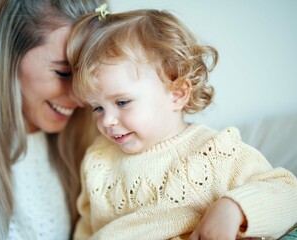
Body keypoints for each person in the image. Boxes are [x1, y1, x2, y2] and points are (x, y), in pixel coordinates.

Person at [67, 6, 297, 240]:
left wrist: (233, 207)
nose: (107, 120)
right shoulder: (98, 160)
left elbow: (289, 193)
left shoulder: (216, 153)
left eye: (122, 102)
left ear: (176, 93)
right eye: (97, 108)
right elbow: (87, 227)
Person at [0, 0, 106, 239]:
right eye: (64, 73)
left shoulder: (96, 150)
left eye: (88, 76)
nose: (81, 99)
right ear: (8, 54)